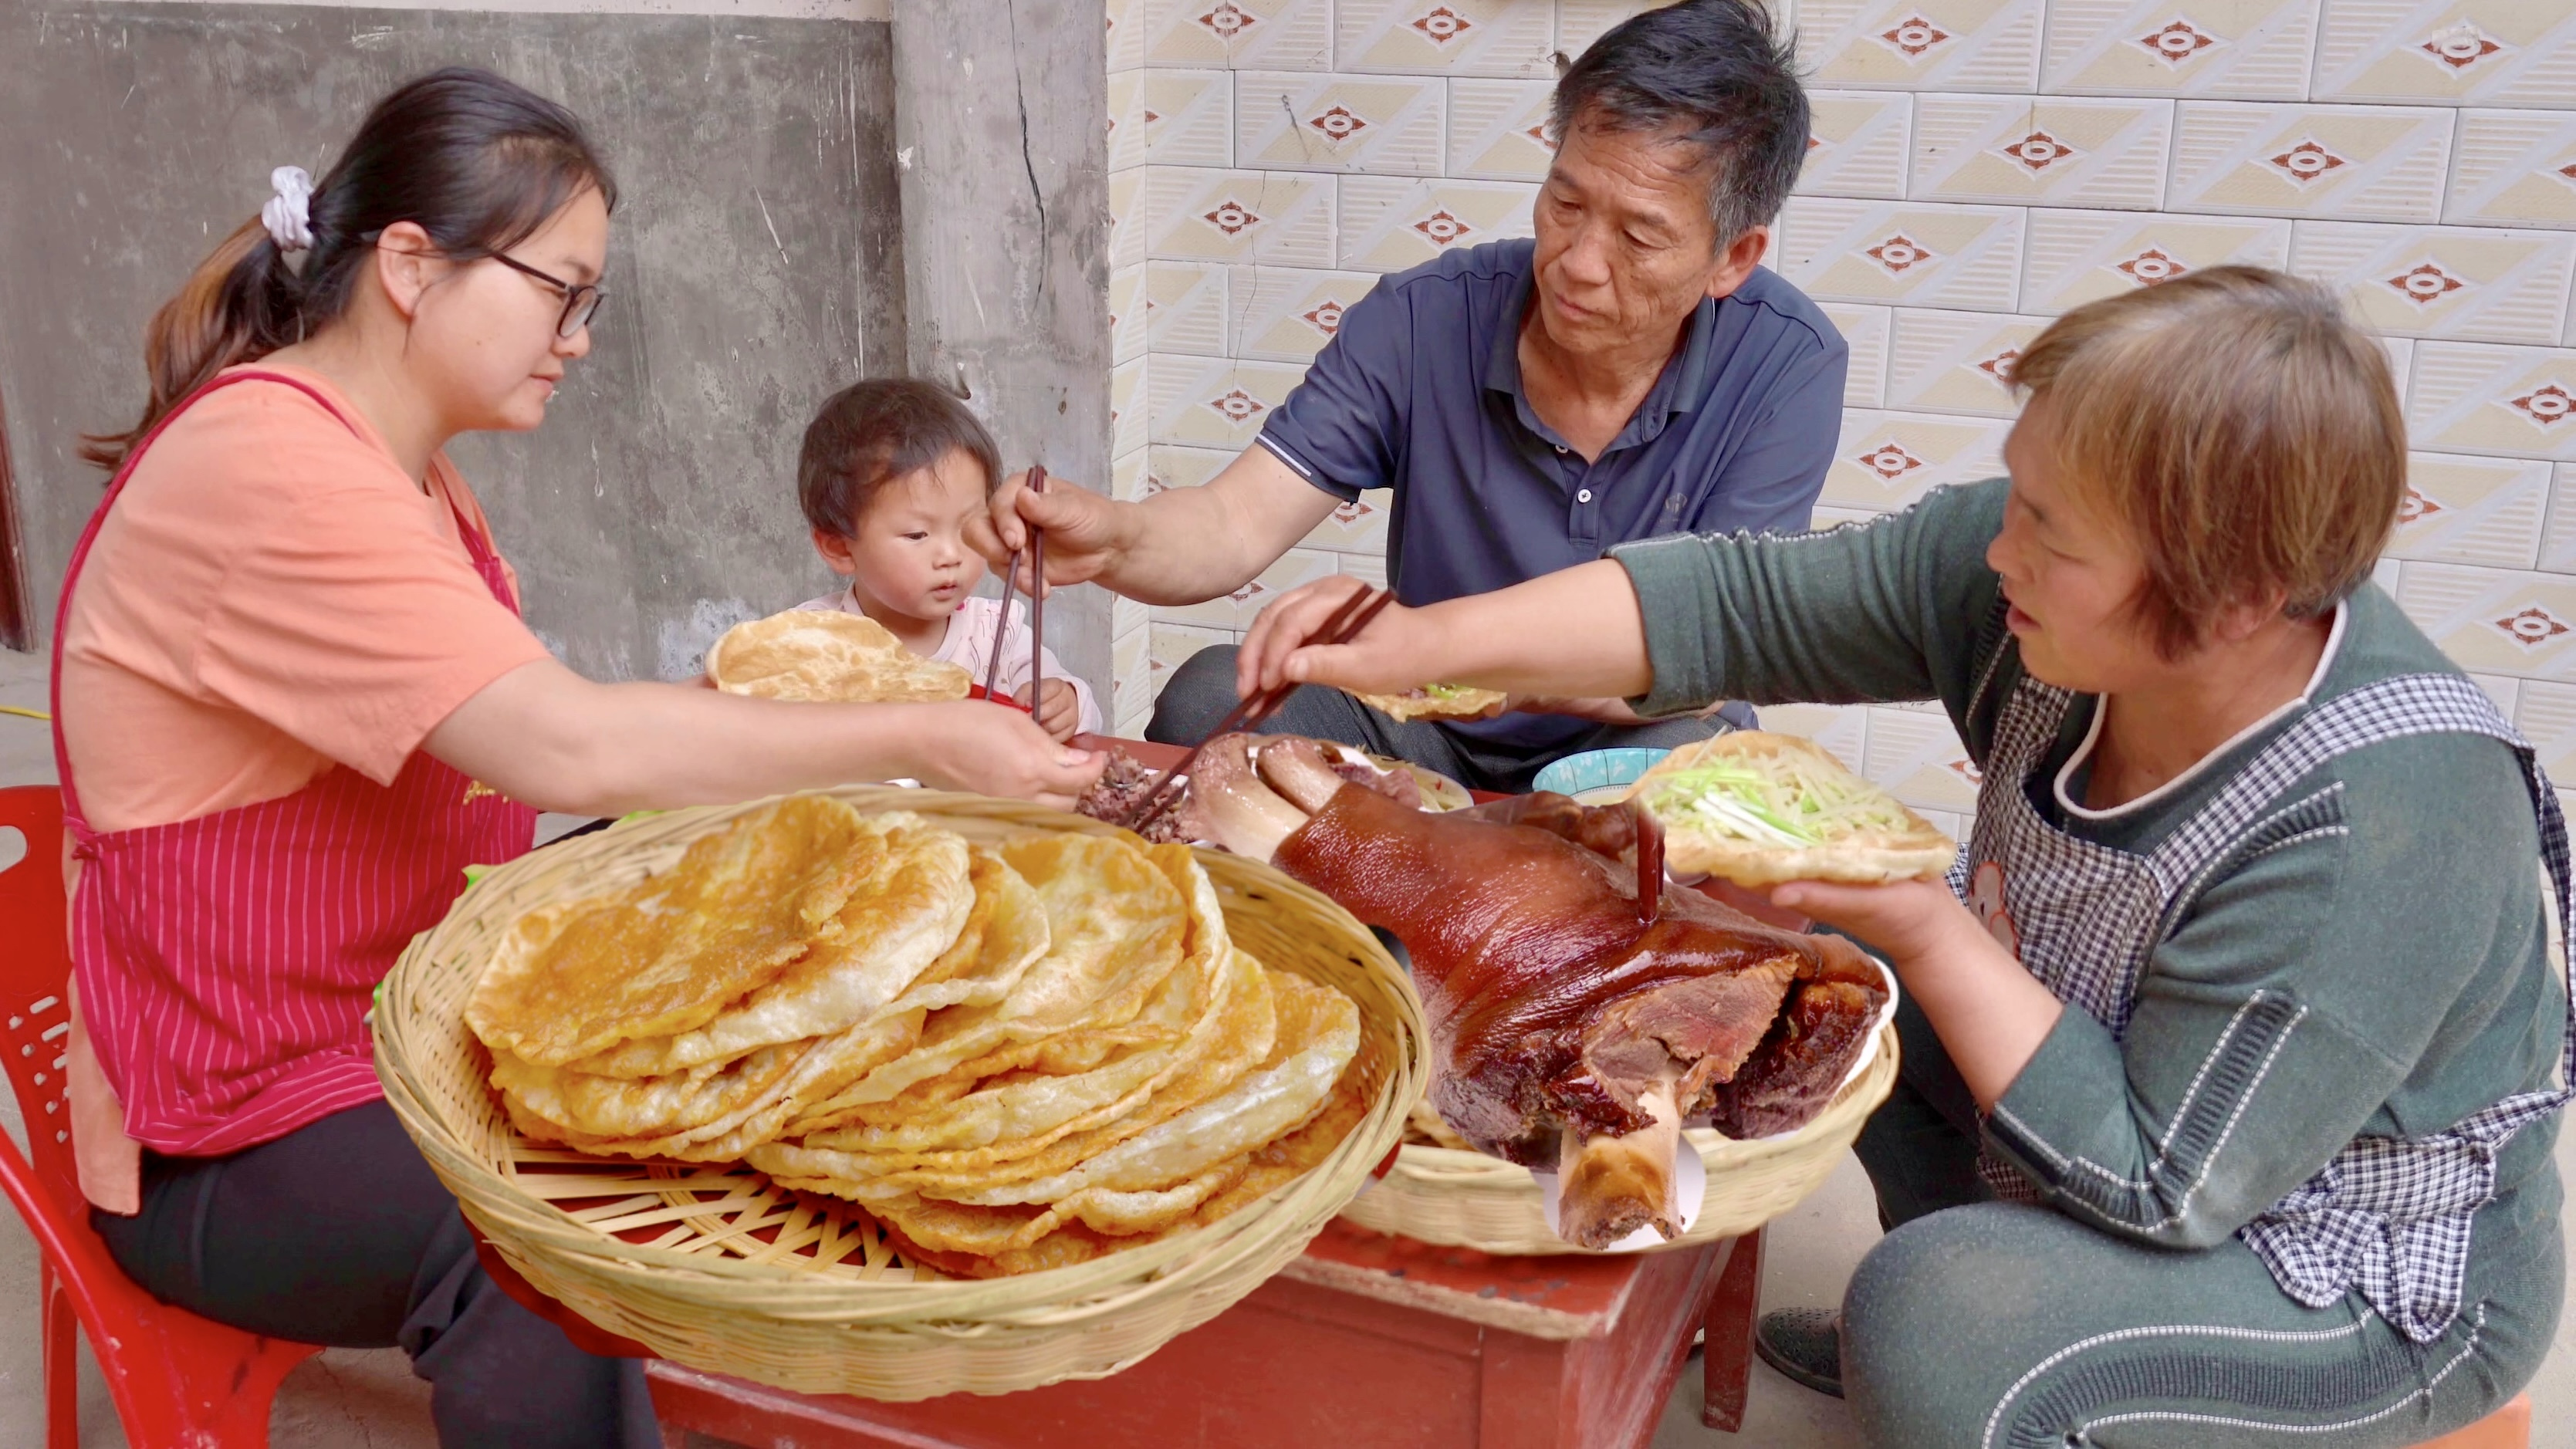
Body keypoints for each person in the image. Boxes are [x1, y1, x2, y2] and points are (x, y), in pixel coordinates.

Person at [1235, 267, 2566, 1447]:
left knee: (1930, 1319)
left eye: (2048, 534)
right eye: (2017, 499)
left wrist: (1925, 925)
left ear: (2230, 603)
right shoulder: (2047, 582)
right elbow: (1741, 601)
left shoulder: (2384, 824)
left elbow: (2166, 1185)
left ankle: (1998, 1338)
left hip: (2342, 1271)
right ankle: (2008, 1308)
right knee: (1828, 987)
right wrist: (1422, 643)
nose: (1997, 551)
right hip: (2133, 1109)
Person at [54, 69, 1099, 1449]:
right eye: (561, 293)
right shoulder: (266, 470)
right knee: (528, 1235)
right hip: (234, 1127)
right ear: (412, 267)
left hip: (386, 1020)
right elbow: (564, 743)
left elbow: (543, 726)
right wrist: (923, 728)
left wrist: (775, 719)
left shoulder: (400, 469)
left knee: (736, 957)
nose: (580, 338)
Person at [977, 0, 1842, 792]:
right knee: (1215, 697)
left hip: (1633, 734)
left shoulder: (1786, 363)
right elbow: (1234, 524)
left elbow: (1716, 650)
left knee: (1683, 783)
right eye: (1566, 202)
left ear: (1733, 257)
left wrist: (1452, 651)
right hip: (1425, 724)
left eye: (1639, 236)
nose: (1579, 262)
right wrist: (1116, 538)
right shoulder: (1427, 316)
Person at [785, 378, 1100, 742]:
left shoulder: (995, 633)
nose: (951, 556)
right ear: (840, 547)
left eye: (968, 527)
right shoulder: (810, 642)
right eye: (918, 535)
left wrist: (1067, 703)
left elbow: (1083, 713)